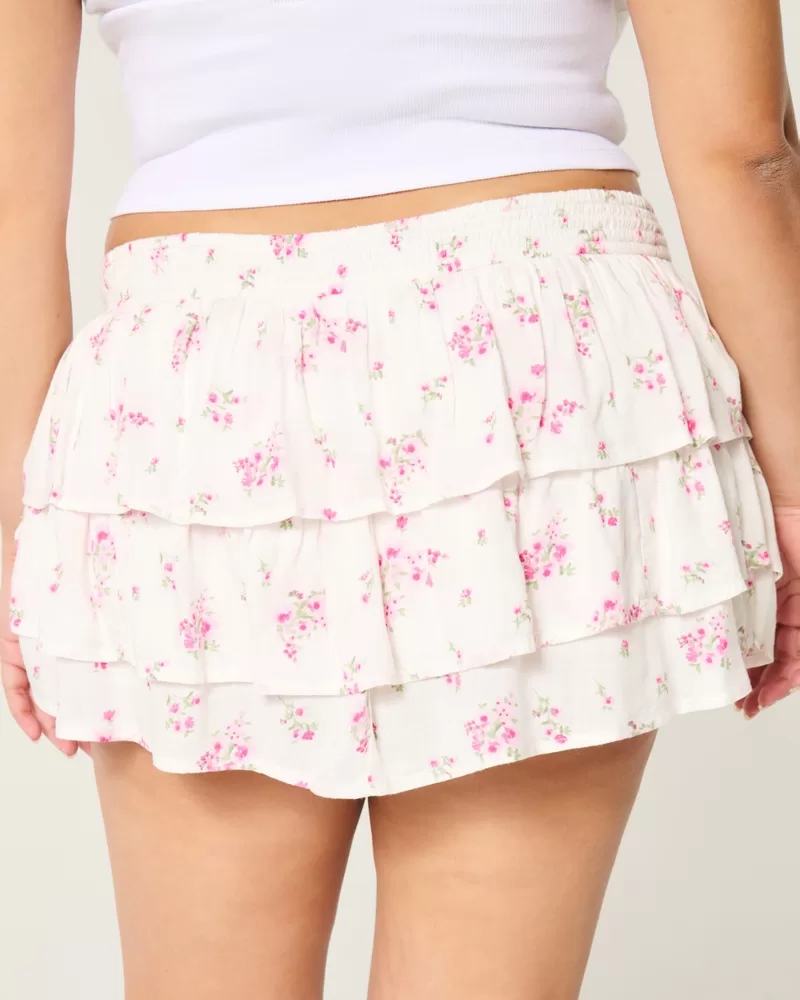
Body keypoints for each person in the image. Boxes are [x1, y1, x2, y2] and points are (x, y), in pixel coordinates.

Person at [1, 1, 798, 997]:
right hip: (536, 376)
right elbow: (743, 153)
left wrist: (19, 534)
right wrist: (792, 491)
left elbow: (9, 198)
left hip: (195, 402)